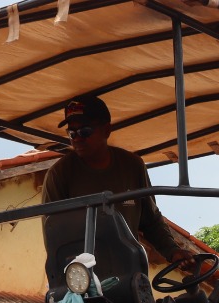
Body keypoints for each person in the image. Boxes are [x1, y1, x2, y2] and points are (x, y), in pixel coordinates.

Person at [42, 95, 184, 265]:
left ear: (106, 130)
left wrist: (173, 251)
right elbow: (54, 234)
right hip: (84, 278)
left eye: (84, 131)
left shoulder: (133, 166)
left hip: (130, 270)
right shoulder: (59, 174)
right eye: (71, 133)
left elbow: (151, 220)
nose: (77, 138)